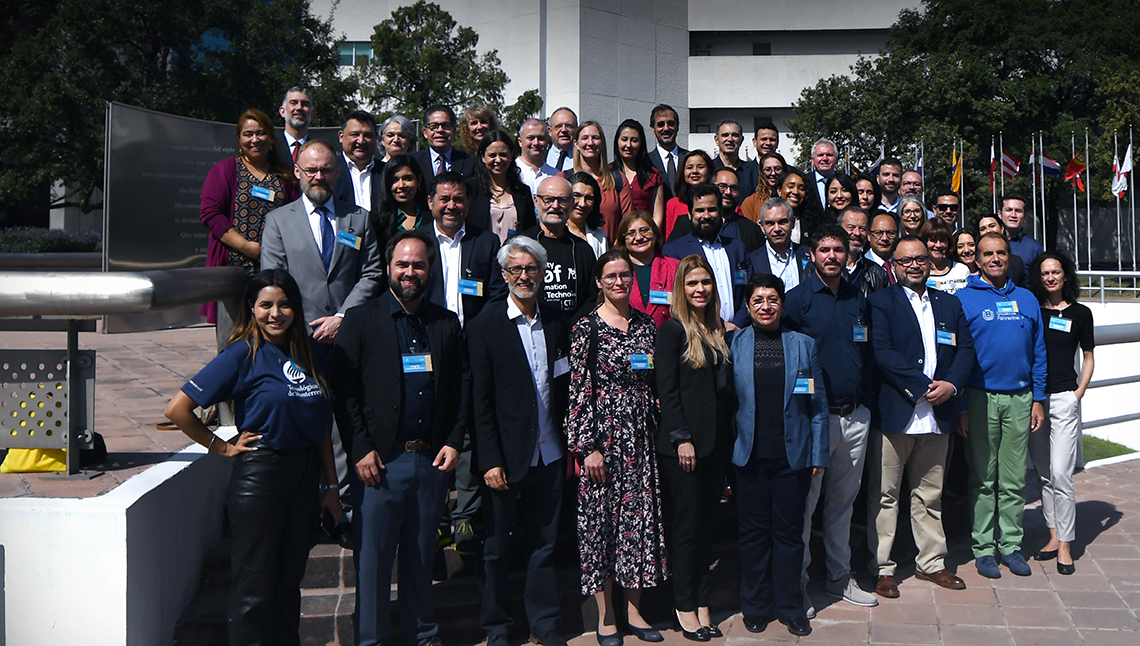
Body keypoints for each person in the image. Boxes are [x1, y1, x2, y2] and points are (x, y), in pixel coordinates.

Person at [164, 269, 340, 646]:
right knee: (253, 591)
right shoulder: (242, 352)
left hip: (304, 474)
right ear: (252, 308)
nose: (276, 314)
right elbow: (177, 409)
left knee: (287, 585)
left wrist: (331, 485)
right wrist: (222, 446)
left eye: (285, 304)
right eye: (266, 305)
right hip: (261, 476)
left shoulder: (307, 351)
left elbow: (321, 424)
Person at [328, 230, 467, 646]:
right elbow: (343, 390)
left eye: (418, 265)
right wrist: (359, 447)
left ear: (430, 270)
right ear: (388, 268)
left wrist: (455, 440)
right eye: (403, 264)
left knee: (422, 558)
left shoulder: (446, 323)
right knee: (372, 563)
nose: (410, 272)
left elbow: (462, 385)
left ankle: (423, 634)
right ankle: (371, 640)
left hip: (429, 461)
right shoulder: (361, 320)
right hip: (379, 464)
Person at [469, 236, 572, 646]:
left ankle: (543, 624)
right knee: (495, 550)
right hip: (505, 460)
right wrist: (490, 459)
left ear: (543, 273)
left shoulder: (556, 318)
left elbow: (563, 383)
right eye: (516, 269)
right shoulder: (484, 326)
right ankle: (497, 628)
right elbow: (480, 400)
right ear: (505, 274)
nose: (524, 276)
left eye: (531, 268)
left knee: (544, 545)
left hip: (549, 453)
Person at [568, 249, 668, 646]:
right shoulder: (586, 328)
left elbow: (655, 380)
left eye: (625, 275)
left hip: (640, 436)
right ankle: (606, 614)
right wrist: (587, 446)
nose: (619, 282)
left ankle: (635, 609)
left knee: (637, 523)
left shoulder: (646, 325)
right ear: (598, 281)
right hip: (603, 440)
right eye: (610, 276)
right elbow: (578, 390)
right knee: (601, 525)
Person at [866, 236, 976, 600]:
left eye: (920, 259)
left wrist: (952, 386)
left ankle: (932, 563)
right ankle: (882, 568)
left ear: (929, 263)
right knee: (885, 496)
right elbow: (882, 353)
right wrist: (926, 386)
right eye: (905, 260)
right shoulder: (881, 302)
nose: (914, 265)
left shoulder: (950, 303)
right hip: (898, 412)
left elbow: (965, 350)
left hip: (938, 416)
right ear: (894, 266)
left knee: (930, 495)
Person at [782, 224, 878, 614]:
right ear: (812, 255)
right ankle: (800, 583)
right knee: (806, 507)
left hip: (855, 417)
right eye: (825, 250)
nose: (832, 256)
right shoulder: (796, 301)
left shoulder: (860, 299)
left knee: (842, 505)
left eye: (839, 249)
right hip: (814, 420)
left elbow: (867, 352)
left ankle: (840, 576)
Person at [730, 274, 828, 638]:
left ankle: (790, 606)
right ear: (748, 305)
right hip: (749, 457)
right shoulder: (734, 343)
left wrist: (819, 452)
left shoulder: (803, 345)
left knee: (789, 537)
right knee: (753, 536)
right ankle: (754, 606)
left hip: (793, 457)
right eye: (757, 300)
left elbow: (817, 406)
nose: (766, 306)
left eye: (772, 299)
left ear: (782, 304)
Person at [956, 232, 1047, 579]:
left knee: (1013, 479)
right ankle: (983, 547)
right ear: (976, 259)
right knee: (982, 477)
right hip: (979, 398)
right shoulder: (964, 299)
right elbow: (959, 356)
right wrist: (962, 405)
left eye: (1001, 253)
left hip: (1020, 398)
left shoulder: (1026, 299)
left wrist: (1038, 398)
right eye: (987, 254)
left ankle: (1011, 544)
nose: (995, 258)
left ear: (1009, 258)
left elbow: (1038, 353)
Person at [655, 255, 735, 641]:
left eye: (705, 282)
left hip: (717, 444)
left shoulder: (718, 329)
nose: (699, 289)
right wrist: (681, 437)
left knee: (707, 526)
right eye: (692, 283)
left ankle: (703, 600)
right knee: (686, 529)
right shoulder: (672, 331)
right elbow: (667, 392)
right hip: (684, 448)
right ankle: (684, 605)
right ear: (681, 290)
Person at [260, 140, 384, 345]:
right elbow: (275, 277)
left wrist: (342, 317)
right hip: (299, 333)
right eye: (311, 170)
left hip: (350, 331)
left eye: (325, 170)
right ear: (297, 172)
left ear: (337, 171)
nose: (319, 177)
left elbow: (371, 273)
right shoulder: (278, 221)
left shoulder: (359, 218)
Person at [200, 108, 298, 341]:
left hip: (274, 271)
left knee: (273, 337)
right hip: (234, 270)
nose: (255, 140)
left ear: (271, 139)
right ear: (239, 139)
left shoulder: (284, 176)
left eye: (261, 133)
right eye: (248, 134)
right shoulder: (225, 170)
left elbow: (297, 215)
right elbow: (210, 213)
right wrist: (248, 247)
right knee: (232, 339)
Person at [1027, 251, 1095, 576]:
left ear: (1065, 275)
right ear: (1038, 278)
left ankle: (1066, 543)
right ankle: (1053, 535)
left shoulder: (1081, 313)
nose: (1051, 277)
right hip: (1036, 400)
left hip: (1065, 398)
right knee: (1043, 472)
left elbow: (1089, 355)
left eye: (1055, 272)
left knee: (1061, 473)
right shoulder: (1034, 311)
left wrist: (1079, 392)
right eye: (1045, 273)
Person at [423, 170, 507, 327]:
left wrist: (477, 327)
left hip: (474, 333)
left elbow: (497, 293)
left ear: (468, 202)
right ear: (430, 202)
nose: (451, 206)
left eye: (459, 200)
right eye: (444, 199)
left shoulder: (487, 242)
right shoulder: (417, 242)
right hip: (430, 331)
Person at [662, 183, 750, 328]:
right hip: (695, 334)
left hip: (735, 332)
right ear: (690, 214)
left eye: (712, 210)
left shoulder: (737, 248)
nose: (706, 216)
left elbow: (748, 291)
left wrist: (736, 324)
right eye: (700, 210)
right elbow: (675, 299)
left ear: (721, 212)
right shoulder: (674, 251)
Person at [520, 176, 599, 318]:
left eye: (562, 200)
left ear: (571, 204)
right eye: (548, 200)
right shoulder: (520, 245)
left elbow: (592, 297)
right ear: (536, 202)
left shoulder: (583, 249)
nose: (555, 206)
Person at [468, 130, 537, 240]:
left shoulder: (522, 191)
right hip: (482, 255)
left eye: (503, 155)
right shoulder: (471, 189)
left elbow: (530, 230)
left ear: (511, 155)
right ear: (483, 157)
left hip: (513, 254)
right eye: (492, 155)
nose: (498, 160)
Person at [568, 121, 631, 241]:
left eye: (595, 138)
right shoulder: (564, 179)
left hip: (610, 254)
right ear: (576, 143)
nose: (590, 143)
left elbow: (627, 224)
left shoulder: (618, 179)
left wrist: (614, 255)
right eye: (585, 138)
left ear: (602, 143)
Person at [615, 210, 680, 327]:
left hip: (666, 340)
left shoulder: (675, 267)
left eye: (644, 230)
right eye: (631, 233)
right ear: (623, 240)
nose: (639, 237)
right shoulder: (615, 270)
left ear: (655, 233)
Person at [747, 197, 810, 292]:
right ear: (762, 227)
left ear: (792, 222)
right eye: (770, 223)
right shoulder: (752, 261)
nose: (777, 229)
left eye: (782, 222)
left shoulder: (809, 255)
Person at [612, 119, 666, 230]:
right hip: (614, 238)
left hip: (643, 237)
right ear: (617, 141)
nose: (628, 145)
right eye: (624, 139)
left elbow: (657, 215)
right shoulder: (608, 172)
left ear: (641, 143)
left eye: (634, 140)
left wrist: (649, 235)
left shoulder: (653, 175)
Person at [334, 110, 384, 222]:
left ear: (375, 138)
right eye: (355, 134)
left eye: (367, 135)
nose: (361, 141)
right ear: (341, 136)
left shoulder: (387, 171)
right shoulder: (328, 171)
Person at [411, 104, 478, 181]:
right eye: (434, 126)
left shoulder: (470, 162)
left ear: (454, 131)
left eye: (446, 126)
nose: (440, 130)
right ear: (425, 132)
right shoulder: (413, 162)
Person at [376, 153, 431, 238]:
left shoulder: (431, 215)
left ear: (418, 181)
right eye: (394, 180)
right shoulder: (377, 220)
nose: (401, 185)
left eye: (408, 179)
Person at [839, 207, 890, 297]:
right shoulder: (820, 268)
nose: (857, 233)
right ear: (839, 229)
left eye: (862, 229)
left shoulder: (878, 274)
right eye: (851, 227)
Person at [664, 150, 714, 241]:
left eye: (700, 167)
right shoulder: (673, 204)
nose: (695, 171)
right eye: (690, 167)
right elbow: (669, 240)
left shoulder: (719, 202)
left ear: (709, 171)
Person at [711, 119, 759, 200]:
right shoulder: (709, 169)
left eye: (735, 135)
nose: (730, 139)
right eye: (725, 135)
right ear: (716, 139)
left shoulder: (753, 171)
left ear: (741, 140)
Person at [567, 171, 611, 258]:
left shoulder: (600, 237)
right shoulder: (554, 232)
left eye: (589, 198)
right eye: (576, 195)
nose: (582, 204)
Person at [648, 104, 687, 201]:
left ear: (677, 126)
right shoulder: (646, 161)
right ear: (653, 128)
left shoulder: (689, 158)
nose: (666, 128)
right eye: (660, 124)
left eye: (671, 123)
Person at [920, 219, 969, 294]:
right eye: (933, 240)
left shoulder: (962, 270)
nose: (938, 245)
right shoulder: (920, 272)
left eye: (942, 240)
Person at [975, 214, 1027, 286]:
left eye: (992, 226)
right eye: (983, 229)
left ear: (1002, 228)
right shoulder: (972, 263)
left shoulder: (1017, 263)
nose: (988, 230)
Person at [740, 152, 787, 222]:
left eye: (777, 169)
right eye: (768, 169)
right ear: (761, 173)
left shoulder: (791, 199)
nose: (773, 173)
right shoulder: (750, 202)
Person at [1000, 195, 1044, 266]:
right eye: (1009, 210)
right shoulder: (989, 243)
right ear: (1000, 214)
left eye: (1018, 211)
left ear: (1025, 216)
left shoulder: (1034, 248)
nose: (1013, 215)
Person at [517, 118, 559, 193]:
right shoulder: (511, 171)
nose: (536, 143)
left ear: (547, 141)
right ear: (520, 142)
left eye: (540, 138)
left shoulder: (555, 175)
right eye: (531, 138)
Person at [777, 169, 818, 244]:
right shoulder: (768, 219)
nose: (796, 192)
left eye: (801, 188)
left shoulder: (812, 223)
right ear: (779, 191)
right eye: (791, 186)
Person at [276, 87, 313, 166]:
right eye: (293, 103)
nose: (299, 107)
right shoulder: (271, 147)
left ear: (312, 114)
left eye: (305, 104)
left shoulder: (318, 150)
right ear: (282, 111)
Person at [803, 138, 838, 217]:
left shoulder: (844, 182)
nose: (825, 158)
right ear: (813, 160)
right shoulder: (804, 181)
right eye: (820, 155)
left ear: (836, 160)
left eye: (829, 155)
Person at [547, 107, 579, 173]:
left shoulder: (584, 160)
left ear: (576, 130)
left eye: (569, 126)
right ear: (550, 131)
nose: (564, 130)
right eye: (558, 126)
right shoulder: (540, 158)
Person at [866, 212, 899, 276]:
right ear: (869, 235)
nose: (885, 238)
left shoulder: (903, 265)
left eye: (891, 233)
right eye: (878, 233)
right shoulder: (862, 267)